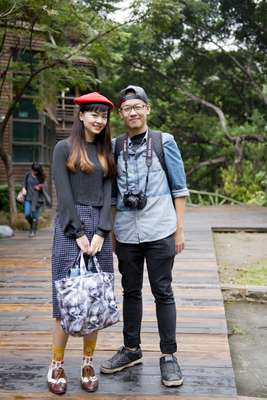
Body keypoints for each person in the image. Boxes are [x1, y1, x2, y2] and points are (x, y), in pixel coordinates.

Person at [100, 85, 189, 387]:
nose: (133, 112)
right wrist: (111, 231)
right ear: (122, 113)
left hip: (161, 229)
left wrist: (179, 230)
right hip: (126, 231)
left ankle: (169, 355)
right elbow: (112, 194)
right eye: (127, 108)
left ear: (147, 109)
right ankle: (131, 348)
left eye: (138, 106)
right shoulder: (114, 145)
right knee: (131, 291)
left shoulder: (165, 142)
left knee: (163, 291)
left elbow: (180, 189)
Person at [48, 92, 115, 395]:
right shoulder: (63, 148)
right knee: (65, 298)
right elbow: (63, 195)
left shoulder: (105, 151)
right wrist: (78, 233)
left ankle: (88, 362)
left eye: (103, 116)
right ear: (81, 115)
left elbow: (109, 194)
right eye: (94, 114)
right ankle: (57, 364)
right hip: (69, 227)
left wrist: (101, 233)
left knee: (95, 297)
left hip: (100, 231)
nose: (99, 121)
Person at [20, 162, 49, 237]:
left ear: (38, 171)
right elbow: (23, 183)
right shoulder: (27, 175)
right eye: (33, 170)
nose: (34, 172)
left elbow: (45, 185)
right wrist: (23, 188)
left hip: (37, 199)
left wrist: (40, 186)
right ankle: (32, 226)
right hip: (28, 198)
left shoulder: (41, 177)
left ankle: (33, 231)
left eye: (35, 171)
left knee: (35, 216)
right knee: (27, 214)